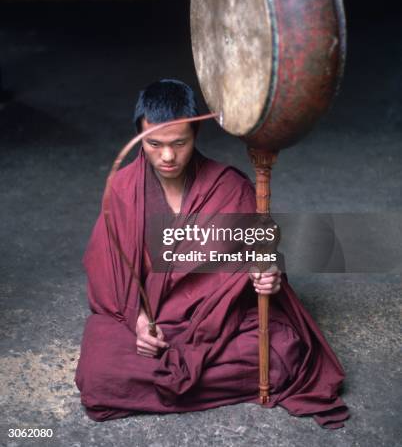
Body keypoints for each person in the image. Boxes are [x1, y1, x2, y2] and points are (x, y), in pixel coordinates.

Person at [74, 79, 349, 429]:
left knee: (282, 351)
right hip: (153, 323)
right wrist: (139, 321)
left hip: (219, 323)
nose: (168, 156)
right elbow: (109, 271)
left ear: (196, 136)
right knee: (97, 373)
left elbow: (260, 256)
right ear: (139, 137)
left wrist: (267, 275)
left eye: (179, 143)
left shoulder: (229, 187)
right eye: (154, 144)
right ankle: (193, 381)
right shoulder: (124, 188)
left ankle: (158, 387)